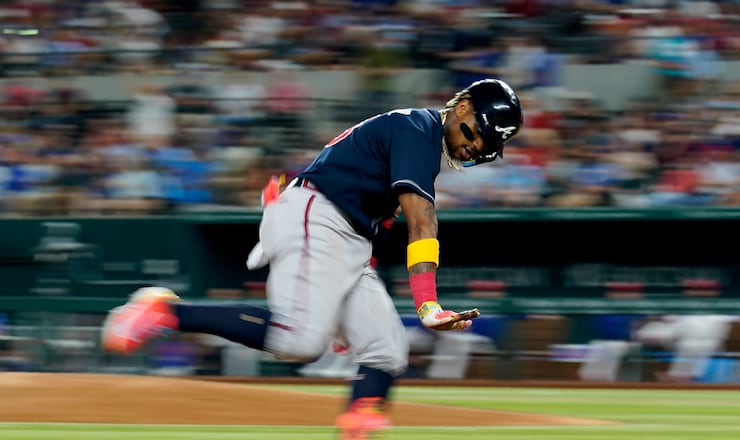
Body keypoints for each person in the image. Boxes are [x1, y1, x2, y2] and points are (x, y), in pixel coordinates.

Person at [100, 78, 523, 439]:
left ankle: (358, 422)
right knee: (298, 340)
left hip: (342, 235)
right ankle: (167, 313)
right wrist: (427, 304)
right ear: (462, 106)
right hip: (317, 215)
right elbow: (423, 222)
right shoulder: (418, 130)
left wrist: (342, 303)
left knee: (385, 350)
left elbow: (377, 219)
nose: (477, 146)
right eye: (477, 133)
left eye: (488, 143)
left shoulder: (419, 137)